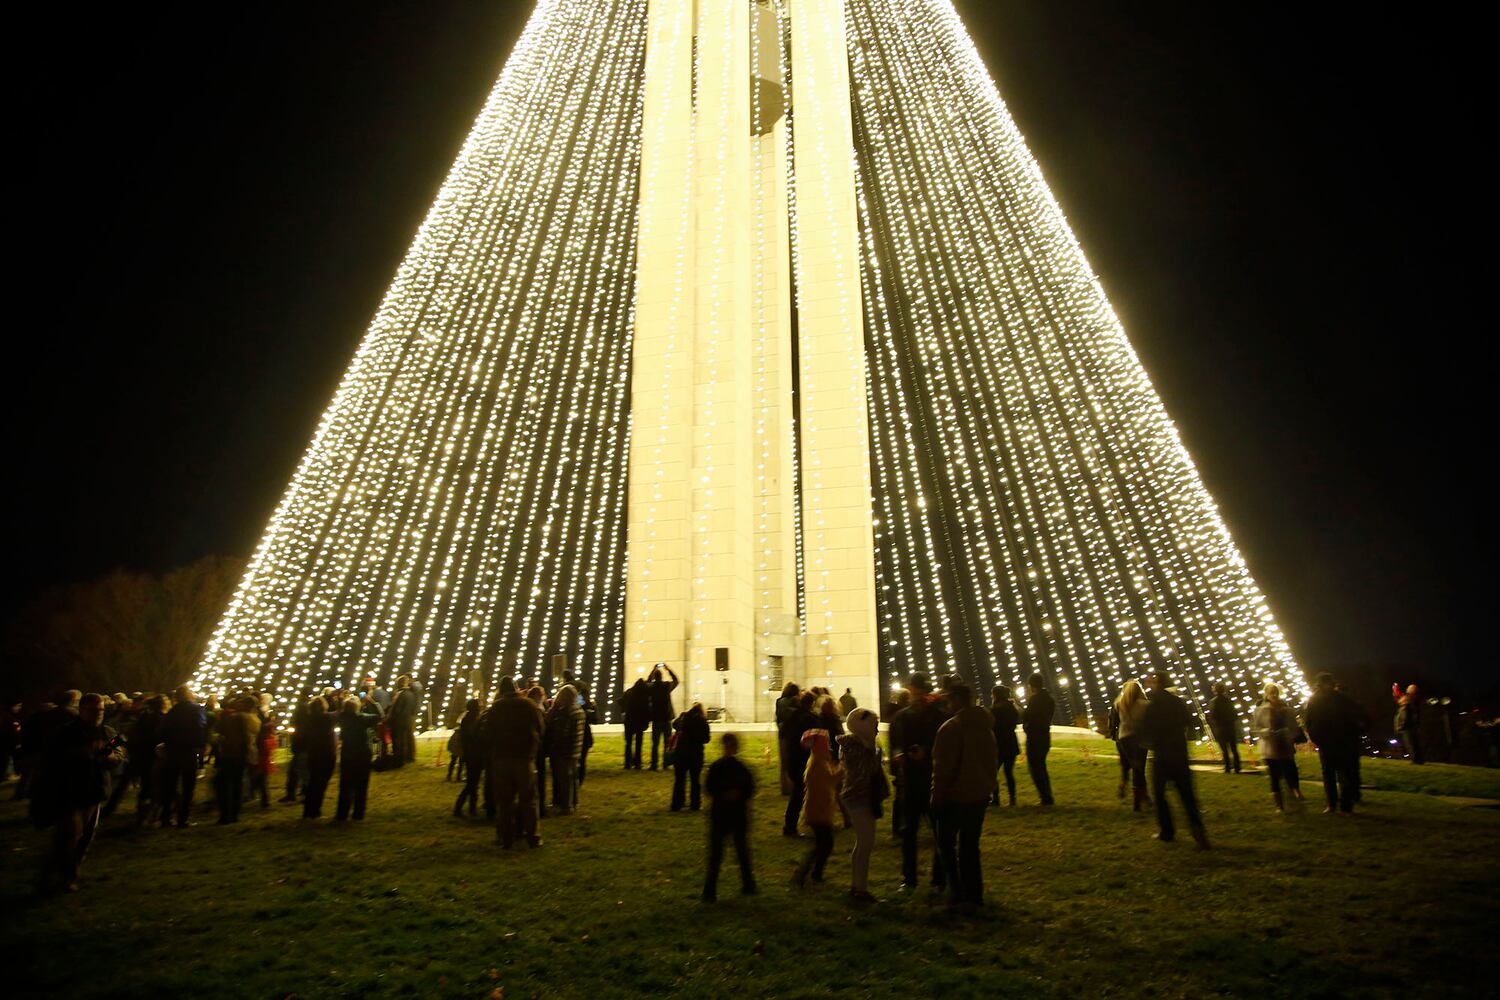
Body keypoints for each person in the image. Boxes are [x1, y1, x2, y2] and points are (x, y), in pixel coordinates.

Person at [34, 693, 122, 893]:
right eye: (93, 710)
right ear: (82, 710)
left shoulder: (108, 732)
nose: (98, 714)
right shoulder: (66, 733)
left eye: (100, 710)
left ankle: (63, 874)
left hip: (96, 791)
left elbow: (119, 752)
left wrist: (111, 757)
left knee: (86, 837)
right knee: (69, 836)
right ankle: (62, 877)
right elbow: (52, 758)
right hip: (70, 791)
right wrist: (85, 751)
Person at [931, 683, 996, 909]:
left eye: (949, 700)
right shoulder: (985, 726)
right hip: (979, 795)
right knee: (970, 845)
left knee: (946, 845)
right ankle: (974, 893)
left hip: (954, 796)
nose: (947, 704)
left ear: (957, 700)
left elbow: (942, 768)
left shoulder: (950, 728)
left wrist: (936, 797)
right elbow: (992, 761)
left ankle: (956, 891)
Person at [887, 673, 947, 890]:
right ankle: (909, 878)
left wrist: (927, 753)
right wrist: (898, 756)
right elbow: (895, 743)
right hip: (911, 780)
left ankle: (939, 878)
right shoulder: (902, 717)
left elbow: (944, 745)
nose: (917, 695)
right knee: (909, 832)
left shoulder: (939, 715)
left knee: (939, 832)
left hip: (932, 779)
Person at [1143, 672, 1209, 848]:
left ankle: (1167, 831)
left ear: (1158, 684)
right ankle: (1198, 831)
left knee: (1159, 794)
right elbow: (1188, 723)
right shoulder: (1178, 702)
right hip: (1180, 753)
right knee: (1187, 795)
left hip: (1162, 755)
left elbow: (1147, 729)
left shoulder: (1153, 705)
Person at [483, 676, 546, 848]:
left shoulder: (496, 708)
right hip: (524, 757)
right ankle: (533, 836)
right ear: (516, 688)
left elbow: (487, 733)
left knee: (505, 801)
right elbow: (541, 728)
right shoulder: (529, 705)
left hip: (502, 758)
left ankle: (506, 838)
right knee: (529, 800)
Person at [837, 708, 887, 902]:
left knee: (863, 843)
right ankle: (860, 889)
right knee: (865, 843)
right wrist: (874, 751)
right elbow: (866, 771)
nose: (876, 729)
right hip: (859, 798)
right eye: (873, 725)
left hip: (862, 797)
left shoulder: (861, 745)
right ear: (862, 725)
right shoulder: (856, 748)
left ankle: (858, 886)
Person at [702, 733, 757, 902]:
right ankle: (743, 885)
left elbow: (710, 788)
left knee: (735, 852)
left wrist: (730, 795)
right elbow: (710, 788)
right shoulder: (738, 768)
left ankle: (713, 891)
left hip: (726, 814)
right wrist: (732, 795)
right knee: (726, 853)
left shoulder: (721, 767)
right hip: (729, 814)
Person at [1305, 672, 1367, 814]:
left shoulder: (1341, 698)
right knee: (1330, 774)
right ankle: (1332, 804)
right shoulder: (1315, 700)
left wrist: (1358, 730)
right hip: (1327, 741)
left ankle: (1345, 804)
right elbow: (1310, 721)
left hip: (1342, 740)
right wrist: (1316, 738)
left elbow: (1360, 712)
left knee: (1343, 773)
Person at [793, 729, 842, 888]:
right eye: (826, 745)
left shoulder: (819, 761)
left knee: (822, 845)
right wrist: (843, 767)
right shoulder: (817, 764)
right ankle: (808, 874)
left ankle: (811, 874)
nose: (829, 747)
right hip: (817, 811)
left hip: (819, 809)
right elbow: (832, 779)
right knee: (824, 845)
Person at [159, 685, 208, 829]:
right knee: (188, 786)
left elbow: (163, 731)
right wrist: (201, 748)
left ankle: (166, 817)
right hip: (190, 751)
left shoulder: (172, 711)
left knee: (171, 785)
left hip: (173, 751)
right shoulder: (197, 709)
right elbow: (201, 728)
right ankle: (183, 818)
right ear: (188, 694)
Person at [1253, 683, 1303, 812]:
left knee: (1290, 770)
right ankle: (1279, 804)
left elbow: (1294, 728)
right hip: (1270, 747)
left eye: (1275, 692)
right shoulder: (1261, 710)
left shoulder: (1286, 709)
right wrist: (1266, 732)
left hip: (1284, 745)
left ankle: (1294, 792)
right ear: (1267, 695)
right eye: (1271, 693)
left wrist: (1287, 733)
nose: (1274, 695)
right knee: (1275, 776)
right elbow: (1256, 728)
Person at [213, 696, 261, 825]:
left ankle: (225, 814)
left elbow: (219, 729)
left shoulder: (237, 718)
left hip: (232, 753)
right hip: (245, 754)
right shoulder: (255, 719)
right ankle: (234, 813)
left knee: (222, 783)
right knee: (237, 783)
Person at [335, 695, 382, 821]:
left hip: (347, 754)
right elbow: (379, 716)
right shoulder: (361, 718)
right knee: (361, 786)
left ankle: (342, 813)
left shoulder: (342, 718)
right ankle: (358, 813)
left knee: (345, 786)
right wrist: (371, 702)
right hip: (361, 754)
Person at [782, 690, 820, 837]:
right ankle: (792, 827)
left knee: (798, 794)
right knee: (803, 795)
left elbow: (784, 733)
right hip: (805, 761)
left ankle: (792, 825)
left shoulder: (792, 717)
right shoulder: (811, 719)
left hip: (793, 758)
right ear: (812, 704)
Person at [125, 694, 166, 824]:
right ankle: (151, 816)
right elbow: (159, 737)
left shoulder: (144, 717)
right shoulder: (161, 719)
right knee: (154, 787)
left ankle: (141, 814)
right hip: (154, 756)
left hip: (141, 756)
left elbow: (132, 734)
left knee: (146, 786)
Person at [545, 685, 586, 814]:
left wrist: (553, 747)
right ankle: (574, 802)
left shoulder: (565, 712)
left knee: (564, 779)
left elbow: (561, 733)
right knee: (573, 777)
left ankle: (566, 806)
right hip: (575, 748)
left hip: (564, 750)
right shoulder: (579, 710)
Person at [1114, 679, 1151, 812]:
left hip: (1124, 738)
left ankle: (1141, 798)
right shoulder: (1145, 704)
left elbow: (1115, 721)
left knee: (1136, 768)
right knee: (1140, 768)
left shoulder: (1119, 703)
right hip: (1139, 738)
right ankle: (1140, 799)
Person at [670, 702, 712, 811]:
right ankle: (695, 804)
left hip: (681, 752)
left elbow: (674, 724)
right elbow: (706, 739)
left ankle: (677, 804)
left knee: (679, 780)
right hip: (695, 753)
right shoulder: (702, 721)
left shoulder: (684, 717)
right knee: (695, 780)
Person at [300, 699, 337, 819]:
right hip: (326, 754)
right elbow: (340, 713)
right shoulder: (327, 718)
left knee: (313, 781)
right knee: (321, 783)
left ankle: (308, 810)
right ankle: (315, 809)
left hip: (313, 753)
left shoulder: (308, 719)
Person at [1022, 673, 1055, 806]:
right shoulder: (1049, 699)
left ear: (1031, 685)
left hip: (1035, 737)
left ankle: (1045, 797)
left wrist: (1020, 711)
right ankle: (1047, 796)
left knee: (1035, 768)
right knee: (1041, 767)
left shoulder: (1035, 699)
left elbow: (1028, 716)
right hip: (1045, 736)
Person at [452, 699, 486, 817]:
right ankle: (460, 806)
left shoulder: (469, 719)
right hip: (473, 755)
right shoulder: (471, 720)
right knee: (472, 783)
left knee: (474, 782)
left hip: (472, 754)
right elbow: (473, 736)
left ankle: (472, 807)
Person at [989, 686, 1021, 807]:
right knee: (1009, 772)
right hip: (1011, 743)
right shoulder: (1012, 707)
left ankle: (996, 798)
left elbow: (991, 725)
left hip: (999, 744)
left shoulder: (995, 709)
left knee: (993, 772)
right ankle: (1012, 799)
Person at [647, 664, 680, 770]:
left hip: (657, 719)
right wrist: (668, 669)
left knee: (655, 744)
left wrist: (653, 670)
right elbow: (676, 680)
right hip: (666, 719)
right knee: (667, 743)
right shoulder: (666, 686)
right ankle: (666, 763)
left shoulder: (651, 687)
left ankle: (654, 764)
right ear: (661, 677)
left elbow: (647, 682)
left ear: (655, 677)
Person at [1207, 683, 1242, 774]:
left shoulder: (1213, 702)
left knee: (1224, 749)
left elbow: (1212, 715)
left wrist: (1215, 723)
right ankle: (1237, 766)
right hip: (1230, 727)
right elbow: (1235, 714)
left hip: (1220, 728)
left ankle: (1227, 767)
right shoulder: (1228, 701)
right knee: (1234, 748)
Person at [250, 694, 277, 809]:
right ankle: (261, 796)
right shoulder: (259, 713)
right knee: (260, 770)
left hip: (262, 744)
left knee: (260, 771)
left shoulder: (262, 712)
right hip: (261, 743)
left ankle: (261, 796)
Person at [775, 682, 801, 795]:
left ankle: (784, 788)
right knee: (792, 761)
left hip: (782, 733)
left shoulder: (779, 701)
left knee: (783, 763)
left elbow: (777, 717)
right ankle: (793, 787)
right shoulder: (795, 701)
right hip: (792, 734)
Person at [385, 677, 418, 768]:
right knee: (406, 740)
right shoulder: (411, 694)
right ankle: (407, 757)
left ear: (400, 684)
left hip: (398, 721)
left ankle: (398, 760)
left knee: (397, 741)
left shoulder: (400, 694)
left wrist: (390, 718)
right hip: (407, 720)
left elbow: (397, 709)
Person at [621, 678, 651, 769]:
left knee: (628, 743)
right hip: (639, 721)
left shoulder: (629, 692)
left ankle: (627, 763)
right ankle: (638, 763)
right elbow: (647, 709)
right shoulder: (644, 695)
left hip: (629, 721)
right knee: (638, 743)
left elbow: (621, 702)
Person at [1394, 683, 1424, 764]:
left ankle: (1416, 760)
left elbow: (1405, 715)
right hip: (1410, 726)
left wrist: (1402, 725)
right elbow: (1398, 696)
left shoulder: (1409, 701)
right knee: (1413, 743)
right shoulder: (1412, 700)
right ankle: (1419, 759)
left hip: (1407, 726)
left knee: (1411, 743)